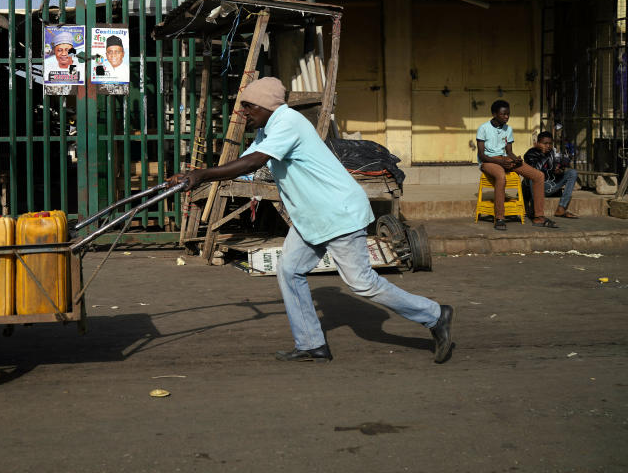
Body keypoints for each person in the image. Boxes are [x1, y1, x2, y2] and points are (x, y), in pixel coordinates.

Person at [168, 77, 453, 364]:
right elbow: (243, 166)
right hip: (312, 217)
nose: (245, 113)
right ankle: (311, 344)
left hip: (337, 212)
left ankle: (435, 315)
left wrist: (203, 175)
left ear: (267, 105)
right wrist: (190, 177)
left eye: (249, 107)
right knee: (290, 270)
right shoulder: (267, 130)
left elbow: (253, 162)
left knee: (362, 283)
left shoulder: (288, 122)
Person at [476, 100, 556, 230]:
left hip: (505, 159)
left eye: (508, 114)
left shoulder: (508, 129)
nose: (506, 117)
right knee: (501, 177)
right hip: (489, 161)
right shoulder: (483, 128)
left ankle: (539, 217)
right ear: (494, 114)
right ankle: (500, 218)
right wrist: (500, 162)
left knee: (538, 176)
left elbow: (509, 152)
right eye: (503, 114)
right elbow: (481, 155)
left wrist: (516, 160)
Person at [523, 131, 578, 219]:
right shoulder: (530, 154)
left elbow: (551, 170)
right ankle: (535, 211)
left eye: (550, 143)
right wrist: (543, 155)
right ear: (538, 144)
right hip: (537, 188)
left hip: (550, 186)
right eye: (545, 143)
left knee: (572, 172)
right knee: (532, 178)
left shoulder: (551, 152)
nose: (548, 146)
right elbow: (535, 171)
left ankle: (561, 208)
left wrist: (558, 171)